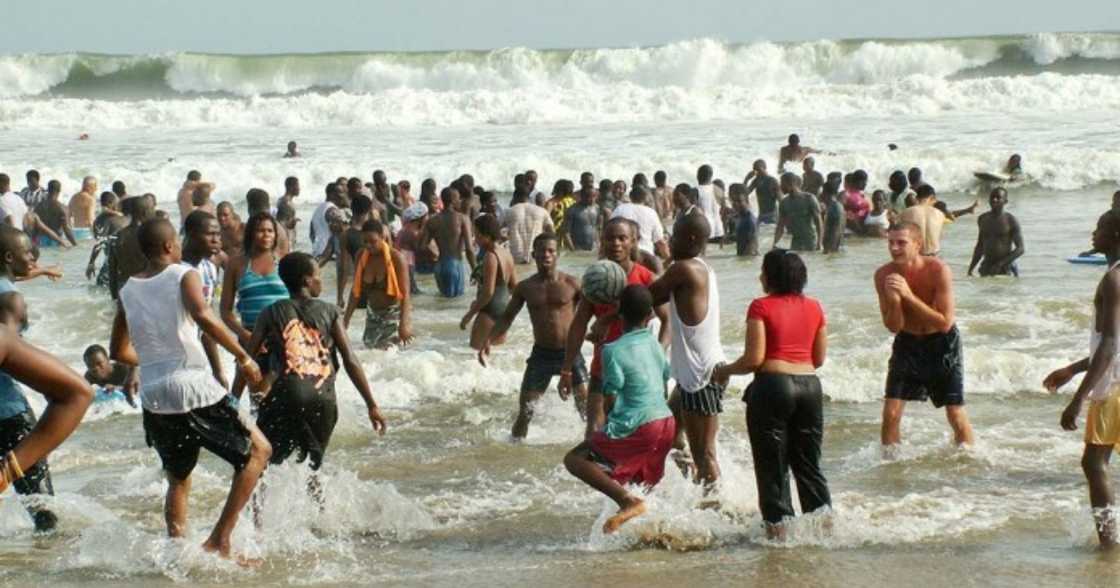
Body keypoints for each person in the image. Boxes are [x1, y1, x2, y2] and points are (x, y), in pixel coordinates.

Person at [109, 218, 269, 562]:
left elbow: (118, 351)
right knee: (260, 451)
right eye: (177, 243)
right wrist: (243, 357)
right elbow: (204, 315)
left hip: (154, 395)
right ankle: (220, 540)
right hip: (192, 386)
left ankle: (179, 556)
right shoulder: (184, 274)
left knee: (178, 478)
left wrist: (154, 359)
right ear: (169, 247)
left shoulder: (127, 289)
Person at [712, 249, 831, 539]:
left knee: (772, 467)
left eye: (763, 272)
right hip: (810, 387)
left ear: (772, 276)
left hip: (773, 387)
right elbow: (818, 359)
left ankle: (779, 537)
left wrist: (724, 371)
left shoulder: (760, 307)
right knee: (809, 465)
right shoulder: (815, 307)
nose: (760, 276)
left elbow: (754, 359)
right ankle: (825, 532)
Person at [248, 252, 386, 482]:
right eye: (318, 276)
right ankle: (318, 515)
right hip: (323, 400)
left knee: (263, 465)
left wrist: (232, 401)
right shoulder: (330, 311)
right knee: (314, 468)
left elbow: (247, 358)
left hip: (285, 396)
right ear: (307, 281)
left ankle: (258, 518)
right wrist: (372, 405)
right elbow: (350, 358)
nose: (321, 281)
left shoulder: (270, 312)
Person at [562, 284, 676, 534]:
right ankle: (658, 531)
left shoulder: (611, 350)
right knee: (643, 484)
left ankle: (626, 501)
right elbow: (664, 378)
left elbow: (610, 396)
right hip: (666, 422)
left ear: (619, 315)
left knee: (575, 459)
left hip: (640, 424)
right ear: (650, 316)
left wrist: (609, 426)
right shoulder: (656, 345)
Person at [0, 225, 92, 531]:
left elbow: (17, 275)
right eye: (28, 252)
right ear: (9, 256)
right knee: (43, 509)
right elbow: (10, 351)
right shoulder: (12, 299)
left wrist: (39, 272)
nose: (33, 256)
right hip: (10, 415)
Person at [1044, 211, 1120, 547]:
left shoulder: (1113, 280)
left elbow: (1110, 344)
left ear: (1115, 235)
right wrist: (1072, 369)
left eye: (1100, 227)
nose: (1094, 232)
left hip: (1114, 385)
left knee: (1094, 462)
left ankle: (1110, 543)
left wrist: (1077, 399)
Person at [875, 222, 974, 447]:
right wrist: (895, 301)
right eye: (891, 242)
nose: (894, 248)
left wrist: (908, 296)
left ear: (918, 244)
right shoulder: (883, 275)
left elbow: (945, 323)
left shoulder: (938, 270)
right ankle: (891, 469)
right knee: (890, 414)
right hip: (907, 343)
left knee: (955, 413)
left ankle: (969, 460)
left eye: (901, 242)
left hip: (942, 344)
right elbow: (892, 326)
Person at [480, 233, 588, 439]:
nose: (546, 255)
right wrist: (489, 340)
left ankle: (594, 451)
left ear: (558, 255)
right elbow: (507, 317)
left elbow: (591, 313)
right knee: (525, 412)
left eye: (551, 251)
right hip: (541, 355)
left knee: (586, 411)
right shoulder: (525, 287)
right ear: (534, 255)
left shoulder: (573, 284)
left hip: (570, 353)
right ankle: (514, 450)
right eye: (542, 251)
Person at [560, 219, 669, 419]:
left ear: (633, 241)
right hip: (603, 367)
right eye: (610, 238)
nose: (616, 243)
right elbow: (578, 324)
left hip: (639, 368)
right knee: (594, 432)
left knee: (636, 432)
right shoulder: (594, 280)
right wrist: (566, 370)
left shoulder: (646, 279)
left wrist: (659, 356)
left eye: (622, 238)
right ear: (602, 242)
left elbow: (668, 320)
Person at [649, 213, 726, 489]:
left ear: (691, 238)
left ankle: (715, 510)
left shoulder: (683, 269)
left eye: (674, 235)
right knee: (668, 437)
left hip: (699, 377)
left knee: (704, 454)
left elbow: (649, 295)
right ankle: (697, 492)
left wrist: (656, 260)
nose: (669, 240)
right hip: (696, 374)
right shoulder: (700, 266)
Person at [220, 212, 289, 399]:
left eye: (270, 231)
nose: (266, 235)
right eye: (260, 231)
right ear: (250, 233)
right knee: (258, 398)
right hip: (251, 337)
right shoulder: (237, 264)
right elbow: (225, 311)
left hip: (285, 337)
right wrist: (245, 335)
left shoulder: (284, 261)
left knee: (284, 397)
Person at [343, 219, 414, 349]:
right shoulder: (361, 256)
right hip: (372, 315)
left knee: (390, 354)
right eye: (365, 242)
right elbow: (355, 291)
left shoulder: (396, 258)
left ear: (382, 237)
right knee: (371, 353)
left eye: (373, 241)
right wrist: (346, 320)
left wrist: (404, 324)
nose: (368, 246)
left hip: (393, 313)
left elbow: (405, 294)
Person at [182, 210, 230, 388]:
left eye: (218, 234)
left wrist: (218, 371)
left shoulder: (209, 266)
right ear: (191, 235)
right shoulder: (175, 270)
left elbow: (206, 324)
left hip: (198, 347)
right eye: (210, 234)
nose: (217, 239)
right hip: (176, 354)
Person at [460, 215, 517, 350]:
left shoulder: (490, 257)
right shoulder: (506, 253)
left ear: (487, 235)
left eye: (477, 235)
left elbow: (488, 293)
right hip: (503, 311)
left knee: (474, 354)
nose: (475, 239)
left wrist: (469, 315)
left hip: (489, 311)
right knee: (495, 356)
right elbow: (514, 286)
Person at [423, 188, 476, 297]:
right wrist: (475, 271)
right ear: (453, 200)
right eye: (458, 199)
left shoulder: (432, 220)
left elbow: (423, 246)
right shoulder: (462, 219)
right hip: (455, 265)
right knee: (454, 304)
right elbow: (470, 249)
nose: (460, 201)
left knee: (444, 302)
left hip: (439, 266)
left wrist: (436, 256)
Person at [968, 188, 1025, 277]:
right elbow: (980, 246)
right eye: (992, 197)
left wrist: (1000, 264)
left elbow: (1020, 249)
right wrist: (971, 269)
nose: (994, 199)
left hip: (1005, 267)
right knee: (984, 290)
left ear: (1005, 201)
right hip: (987, 266)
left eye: (998, 197)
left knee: (1004, 289)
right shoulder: (982, 219)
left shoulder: (1011, 220)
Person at [108, 196, 156, 300]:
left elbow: (112, 271)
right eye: (152, 209)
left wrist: (114, 299)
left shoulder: (117, 236)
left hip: (125, 288)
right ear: (145, 212)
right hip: (147, 287)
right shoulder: (149, 234)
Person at [611, 187, 668, 258]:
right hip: (646, 255)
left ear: (630, 196)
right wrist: (667, 258)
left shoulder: (620, 208)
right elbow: (659, 241)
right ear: (645, 198)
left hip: (623, 253)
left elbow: (610, 230)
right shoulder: (651, 212)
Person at [502, 190, 554, 265]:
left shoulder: (508, 211)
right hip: (535, 255)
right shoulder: (542, 211)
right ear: (529, 198)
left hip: (515, 256)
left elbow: (497, 233)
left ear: (514, 198)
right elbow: (551, 233)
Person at [773, 173, 821, 252]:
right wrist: (774, 244)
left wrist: (819, 242)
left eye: (782, 184)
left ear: (791, 184)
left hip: (810, 241)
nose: (780, 187)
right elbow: (780, 226)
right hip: (795, 242)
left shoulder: (809, 198)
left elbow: (818, 221)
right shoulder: (784, 202)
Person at [899, 185, 946, 256]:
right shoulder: (940, 214)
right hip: (934, 257)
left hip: (916, 257)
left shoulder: (906, 213)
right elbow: (940, 236)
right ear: (933, 197)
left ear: (917, 198)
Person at [33, 180, 78, 247]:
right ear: (59, 190)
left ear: (48, 189)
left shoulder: (38, 206)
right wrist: (75, 245)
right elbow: (66, 229)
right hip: (56, 242)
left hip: (40, 242)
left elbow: (35, 226)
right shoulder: (62, 208)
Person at [563, 181, 600, 252]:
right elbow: (566, 232)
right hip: (577, 248)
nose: (592, 199)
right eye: (588, 196)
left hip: (594, 248)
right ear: (582, 196)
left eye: (594, 196)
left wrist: (600, 245)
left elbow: (598, 228)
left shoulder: (597, 208)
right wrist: (572, 250)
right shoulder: (572, 210)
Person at [309, 183, 343, 259]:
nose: (343, 195)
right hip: (328, 256)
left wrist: (317, 245)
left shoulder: (319, 208)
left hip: (317, 252)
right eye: (340, 192)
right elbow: (340, 233)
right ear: (332, 194)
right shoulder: (333, 210)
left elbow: (311, 233)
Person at [694, 165, 726, 242]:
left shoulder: (695, 190)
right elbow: (724, 210)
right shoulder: (719, 190)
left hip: (705, 231)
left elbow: (692, 213)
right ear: (711, 176)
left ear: (698, 176)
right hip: (719, 231)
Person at [745, 160, 780, 225]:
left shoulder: (772, 180)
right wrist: (746, 179)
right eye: (755, 170)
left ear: (765, 167)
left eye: (758, 169)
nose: (757, 172)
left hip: (772, 214)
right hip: (761, 214)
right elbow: (744, 194)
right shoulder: (756, 180)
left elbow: (780, 199)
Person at [729, 184, 758, 257]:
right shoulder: (741, 216)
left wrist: (743, 261)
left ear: (747, 201)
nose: (735, 204)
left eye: (739, 201)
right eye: (733, 201)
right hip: (743, 257)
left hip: (748, 257)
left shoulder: (749, 220)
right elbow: (742, 237)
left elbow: (750, 245)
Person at [821, 182, 845, 253]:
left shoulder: (835, 208)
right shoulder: (835, 206)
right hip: (835, 247)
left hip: (833, 248)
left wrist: (829, 249)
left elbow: (836, 230)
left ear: (825, 193)